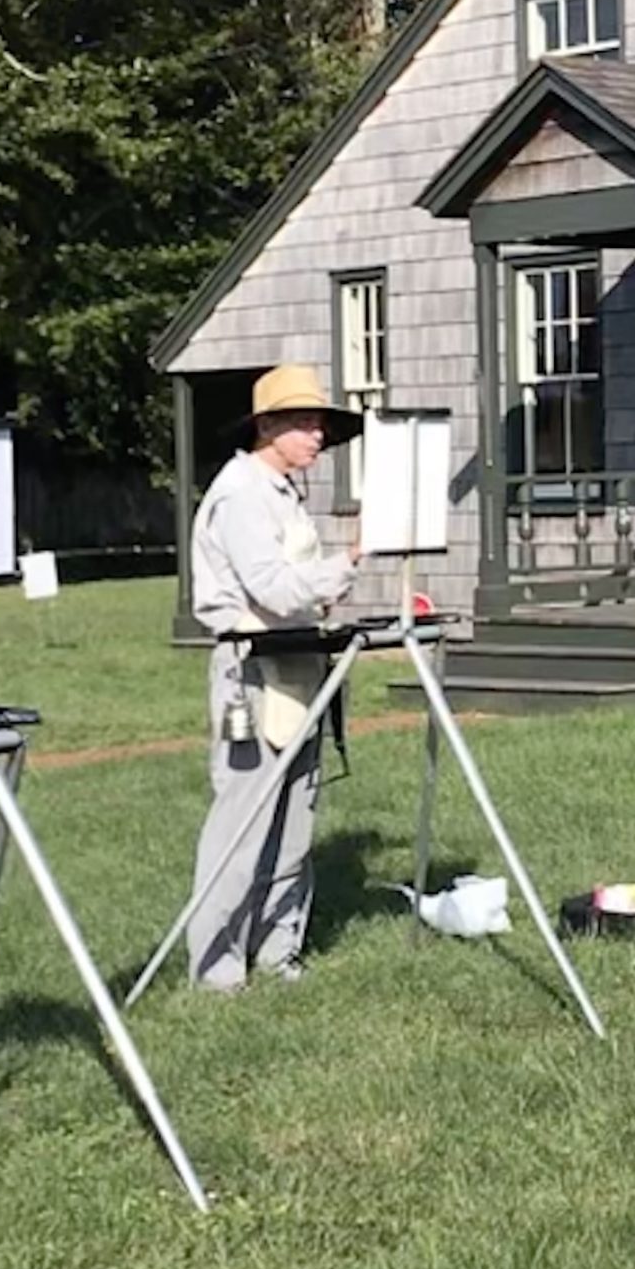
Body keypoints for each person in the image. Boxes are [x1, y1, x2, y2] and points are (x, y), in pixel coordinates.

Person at [186, 364, 363, 991]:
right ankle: (217, 969)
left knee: (294, 822)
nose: (317, 435)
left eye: (319, 424)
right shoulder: (240, 493)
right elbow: (274, 588)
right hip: (252, 674)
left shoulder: (284, 493)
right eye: (304, 423)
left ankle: (277, 949)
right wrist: (348, 562)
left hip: (296, 669)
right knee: (243, 822)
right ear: (267, 427)